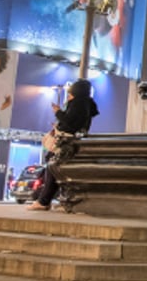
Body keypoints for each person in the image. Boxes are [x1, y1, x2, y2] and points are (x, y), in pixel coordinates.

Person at [28, 79, 100, 211]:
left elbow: (69, 122)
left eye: (70, 93)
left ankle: (44, 201)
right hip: (74, 143)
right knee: (57, 171)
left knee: (52, 167)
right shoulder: (88, 104)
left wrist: (58, 112)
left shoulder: (78, 104)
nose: (69, 96)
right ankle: (58, 200)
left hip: (66, 144)